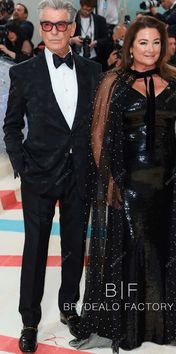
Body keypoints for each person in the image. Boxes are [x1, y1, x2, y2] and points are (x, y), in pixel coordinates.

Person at [69, 16, 176, 354]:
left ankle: (164, 323)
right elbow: (98, 135)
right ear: (130, 46)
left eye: (156, 42)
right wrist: (110, 180)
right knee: (134, 246)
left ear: (165, 46)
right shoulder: (111, 82)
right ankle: (129, 325)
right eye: (143, 42)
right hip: (128, 181)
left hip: (168, 181)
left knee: (163, 247)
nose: (150, 49)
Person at [3, 0, 101, 352]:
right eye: (48, 25)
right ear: (41, 28)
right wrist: (24, 166)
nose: (55, 31)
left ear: (73, 29)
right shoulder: (23, 73)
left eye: (62, 25)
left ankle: (68, 309)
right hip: (39, 177)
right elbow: (11, 127)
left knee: (75, 247)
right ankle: (29, 320)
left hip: (80, 175)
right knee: (35, 249)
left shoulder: (93, 71)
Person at [70, 0, 108, 69]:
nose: (87, 12)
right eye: (84, 9)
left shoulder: (100, 20)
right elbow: (65, 38)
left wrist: (95, 42)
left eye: (89, 10)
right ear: (80, 6)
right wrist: (73, 40)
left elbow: (107, 39)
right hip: (76, 58)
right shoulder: (72, 20)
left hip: (95, 59)